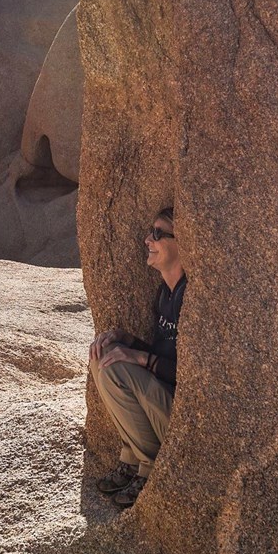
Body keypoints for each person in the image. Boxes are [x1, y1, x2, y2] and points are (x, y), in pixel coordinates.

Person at [87, 207, 186, 508]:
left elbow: (191, 375)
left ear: (182, 243)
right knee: (101, 356)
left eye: (158, 234)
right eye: (150, 232)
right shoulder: (165, 294)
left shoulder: (190, 295)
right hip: (160, 401)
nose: (148, 239)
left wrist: (140, 359)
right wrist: (126, 340)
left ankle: (148, 467)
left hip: (182, 415)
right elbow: (163, 351)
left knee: (118, 369)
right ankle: (131, 458)